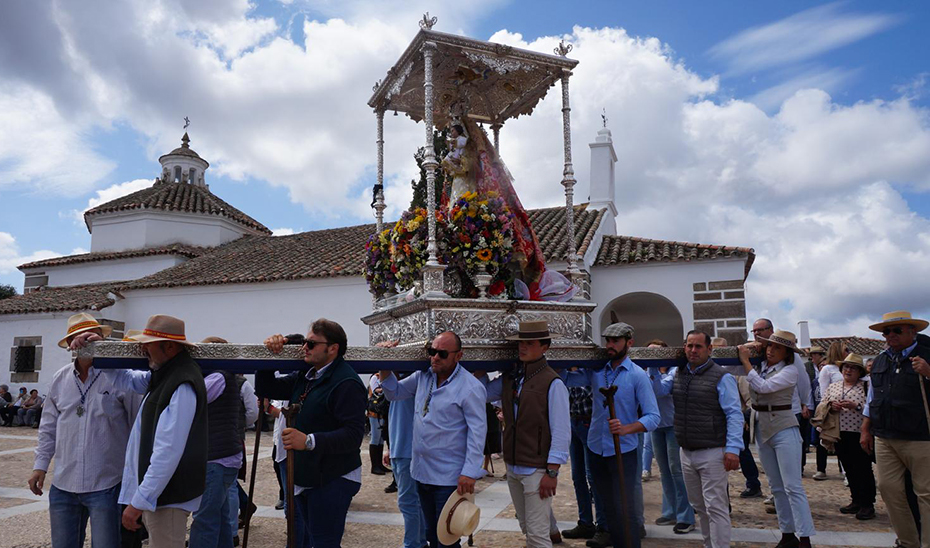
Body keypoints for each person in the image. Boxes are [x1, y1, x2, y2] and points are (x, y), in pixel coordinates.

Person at [80, 314, 209, 548]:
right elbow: (125, 379)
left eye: (148, 344)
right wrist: (101, 347)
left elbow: (167, 452)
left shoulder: (181, 383)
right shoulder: (166, 374)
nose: (142, 348)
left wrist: (139, 501)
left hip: (168, 498)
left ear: (169, 347)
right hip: (162, 496)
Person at [256, 319, 367, 548]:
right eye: (305, 342)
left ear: (333, 348)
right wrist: (271, 353)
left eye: (312, 344)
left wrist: (307, 441)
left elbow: (353, 435)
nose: (305, 347)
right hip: (308, 475)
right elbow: (267, 388)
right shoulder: (307, 376)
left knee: (324, 543)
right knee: (310, 539)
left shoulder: (347, 383)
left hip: (333, 477)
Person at [28, 313, 136, 548]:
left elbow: (137, 423)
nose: (85, 343)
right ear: (69, 345)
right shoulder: (60, 379)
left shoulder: (119, 378)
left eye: (91, 338)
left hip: (106, 484)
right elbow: (48, 426)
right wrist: (40, 466)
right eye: (78, 338)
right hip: (64, 485)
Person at [379, 331, 487, 548]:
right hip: (421, 473)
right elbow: (394, 393)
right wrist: (384, 363)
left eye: (442, 353)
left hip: (449, 477)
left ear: (458, 356)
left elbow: (478, 433)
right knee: (431, 534)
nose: (435, 357)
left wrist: (470, 472)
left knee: (447, 538)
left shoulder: (470, 387)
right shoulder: (423, 377)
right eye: (432, 352)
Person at [563, 322, 660, 548]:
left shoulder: (637, 375)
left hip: (623, 449)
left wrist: (627, 428)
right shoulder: (598, 373)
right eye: (608, 340)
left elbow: (653, 417)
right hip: (596, 447)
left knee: (624, 507)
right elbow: (566, 379)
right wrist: (567, 356)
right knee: (606, 506)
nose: (611, 345)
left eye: (616, 341)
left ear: (629, 342)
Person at [478, 321, 570, 548]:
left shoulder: (552, 382)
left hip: (537, 468)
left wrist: (552, 470)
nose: (523, 347)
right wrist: (478, 362)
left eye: (530, 343)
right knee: (527, 527)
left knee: (538, 536)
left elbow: (561, 430)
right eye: (521, 343)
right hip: (513, 465)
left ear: (544, 347)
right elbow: (482, 394)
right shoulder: (511, 378)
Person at [652, 331, 742, 546]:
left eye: (698, 346)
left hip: (712, 451)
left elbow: (734, 413)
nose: (693, 350)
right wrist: (653, 365)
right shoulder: (677, 373)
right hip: (687, 450)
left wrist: (733, 449)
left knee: (716, 507)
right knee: (700, 506)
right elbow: (658, 390)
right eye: (689, 345)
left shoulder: (722, 377)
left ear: (709, 349)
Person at [739, 330, 815, 548]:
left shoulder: (790, 370)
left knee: (793, 486)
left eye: (777, 348)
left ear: (787, 353)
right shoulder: (761, 366)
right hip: (763, 426)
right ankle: (787, 533)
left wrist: (746, 362)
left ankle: (805, 537)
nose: (771, 350)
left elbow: (764, 387)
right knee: (776, 486)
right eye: (769, 346)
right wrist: (751, 352)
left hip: (783, 426)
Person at [860, 311, 930, 548]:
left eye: (896, 330)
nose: (890, 335)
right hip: (885, 436)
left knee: (925, 494)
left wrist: (929, 372)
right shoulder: (880, 360)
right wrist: (865, 429)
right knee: (889, 488)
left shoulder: (927, 355)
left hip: (921, 437)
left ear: (913, 331)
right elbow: (872, 398)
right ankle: (908, 541)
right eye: (886, 332)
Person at [188, 336, 248, 548]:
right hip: (223, 456)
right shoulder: (224, 376)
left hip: (216, 458)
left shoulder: (218, 378)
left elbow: (190, 398)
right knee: (220, 519)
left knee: (205, 520)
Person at [645, 339, 696, 535]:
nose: (653, 357)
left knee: (677, 471)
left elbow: (659, 390)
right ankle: (670, 511)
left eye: (656, 354)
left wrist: (653, 370)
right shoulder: (647, 372)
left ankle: (686, 516)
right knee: (665, 471)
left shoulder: (675, 372)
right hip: (656, 426)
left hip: (673, 425)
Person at [822, 354, 875, 520]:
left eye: (853, 367)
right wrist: (831, 405)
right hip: (839, 433)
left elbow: (873, 407)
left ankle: (867, 504)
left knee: (863, 468)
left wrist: (856, 406)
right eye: (846, 367)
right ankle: (856, 500)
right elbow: (823, 404)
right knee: (849, 468)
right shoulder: (835, 386)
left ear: (859, 371)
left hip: (860, 433)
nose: (848, 370)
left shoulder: (866, 386)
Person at [381, 364, 427, 548]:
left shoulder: (415, 380)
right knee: (415, 502)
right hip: (402, 448)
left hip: (407, 450)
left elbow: (390, 387)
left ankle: (413, 543)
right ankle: (419, 541)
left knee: (409, 502)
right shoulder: (413, 380)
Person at [561, 383, 607, 542]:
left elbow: (582, 393)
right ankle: (586, 523)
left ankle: (604, 527)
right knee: (577, 476)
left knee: (593, 477)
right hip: (574, 422)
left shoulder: (587, 371)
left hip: (589, 423)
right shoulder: (570, 373)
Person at [815, 342, 846, 481]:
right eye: (846, 350)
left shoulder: (847, 367)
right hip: (833, 411)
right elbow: (824, 393)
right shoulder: (827, 369)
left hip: (849, 412)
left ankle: (846, 471)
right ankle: (822, 469)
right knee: (829, 439)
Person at [367, 373, 391, 475]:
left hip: (382, 411)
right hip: (375, 412)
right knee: (375, 438)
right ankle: (374, 466)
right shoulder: (375, 377)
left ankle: (379, 465)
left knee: (381, 440)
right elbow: (376, 390)